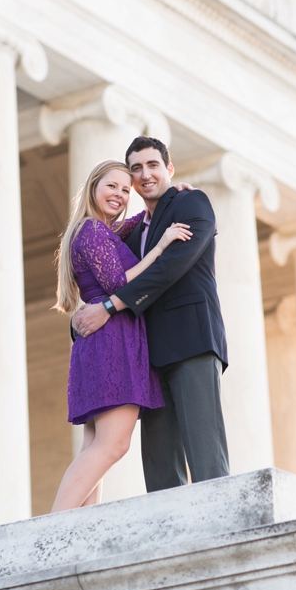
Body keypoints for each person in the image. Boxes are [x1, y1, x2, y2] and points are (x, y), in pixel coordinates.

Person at [72, 136, 230, 491]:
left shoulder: (192, 203)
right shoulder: (129, 233)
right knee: (160, 469)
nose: (145, 174)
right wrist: (82, 316)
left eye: (153, 165)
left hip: (190, 342)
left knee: (206, 458)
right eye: (136, 168)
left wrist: (110, 307)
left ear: (169, 170)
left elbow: (168, 269)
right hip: (145, 358)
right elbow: (106, 279)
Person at [51, 159, 193, 512]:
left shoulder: (94, 231)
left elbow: (131, 227)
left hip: (100, 341)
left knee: (95, 449)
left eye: (125, 190)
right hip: (111, 338)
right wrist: (160, 248)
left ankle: (76, 532)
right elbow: (120, 282)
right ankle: (52, 528)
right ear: (93, 187)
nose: (120, 194)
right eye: (111, 186)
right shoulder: (94, 231)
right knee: (113, 446)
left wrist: (166, 197)